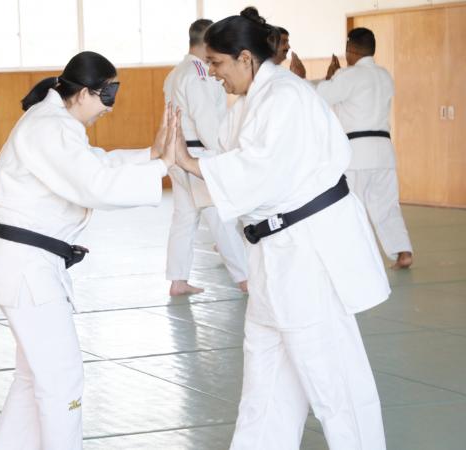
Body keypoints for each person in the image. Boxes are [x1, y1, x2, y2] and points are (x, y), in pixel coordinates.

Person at [174, 9, 390, 450]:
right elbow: (237, 164)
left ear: (245, 58)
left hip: (308, 252)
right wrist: (189, 163)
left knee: (333, 380)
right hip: (274, 254)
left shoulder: (286, 98)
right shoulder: (253, 102)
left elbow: (259, 171)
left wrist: (188, 162)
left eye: (217, 63)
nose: (212, 73)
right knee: (265, 381)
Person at [0, 51, 176, 450]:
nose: (109, 108)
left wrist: (151, 155)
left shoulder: (54, 124)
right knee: (61, 379)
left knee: (34, 378)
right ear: (85, 92)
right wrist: (161, 167)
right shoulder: (50, 127)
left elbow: (92, 165)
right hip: (26, 268)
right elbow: (95, 185)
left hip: (26, 265)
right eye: (107, 96)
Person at [297, 28, 413, 269]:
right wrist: (334, 77)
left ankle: (351, 257)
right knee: (387, 206)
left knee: (348, 206)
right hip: (384, 152)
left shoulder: (349, 75)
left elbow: (319, 95)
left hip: (357, 154)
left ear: (350, 50)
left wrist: (299, 79)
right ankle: (403, 252)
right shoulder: (384, 75)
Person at [164, 18, 249, 295]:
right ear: (207, 42)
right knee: (219, 215)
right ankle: (246, 278)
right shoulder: (198, 72)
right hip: (198, 152)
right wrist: (224, 153)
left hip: (178, 152)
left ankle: (178, 280)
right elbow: (205, 118)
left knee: (184, 217)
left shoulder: (177, 72)